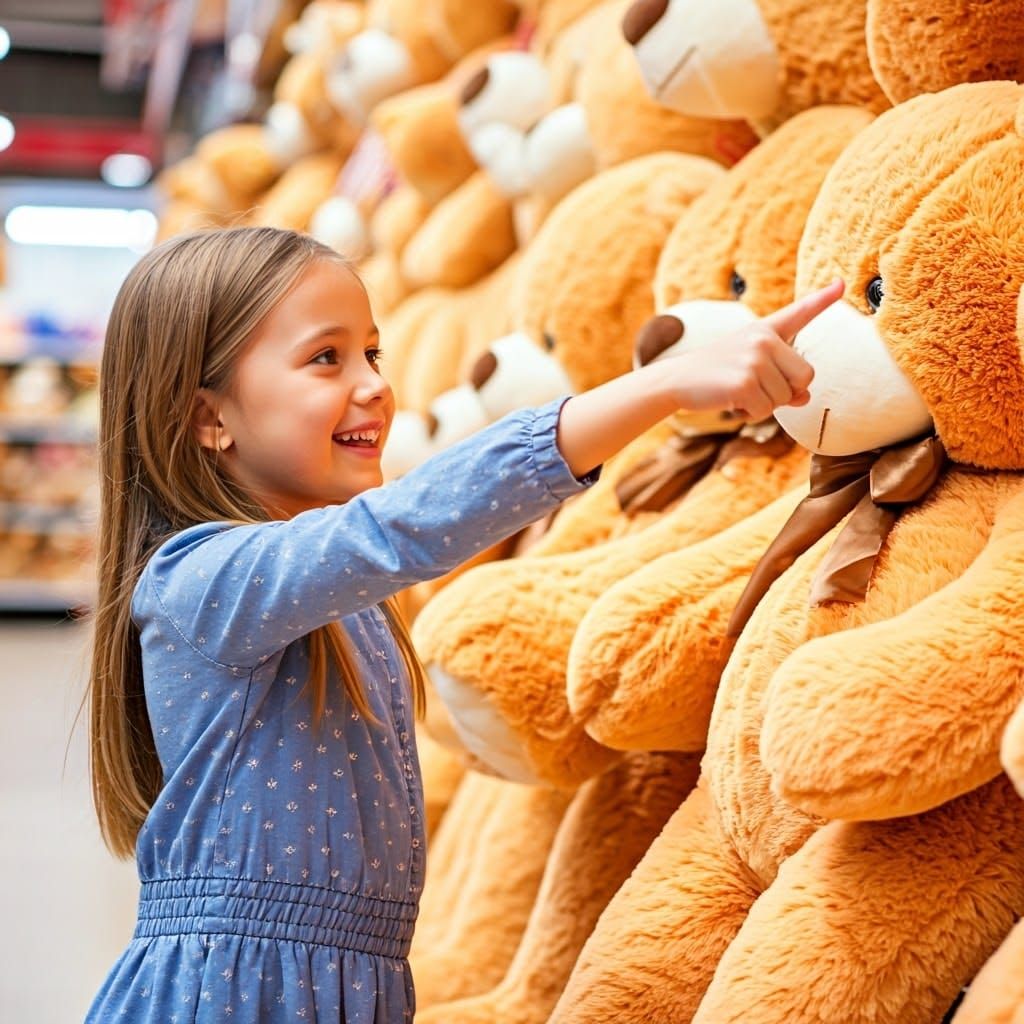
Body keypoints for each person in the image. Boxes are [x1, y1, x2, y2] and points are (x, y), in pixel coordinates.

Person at [83, 225, 841, 1023]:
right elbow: (398, 528)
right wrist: (660, 388)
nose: (374, 385)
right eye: (326, 358)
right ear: (208, 419)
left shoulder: (339, 599)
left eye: (372, 353)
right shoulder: (198, 579)